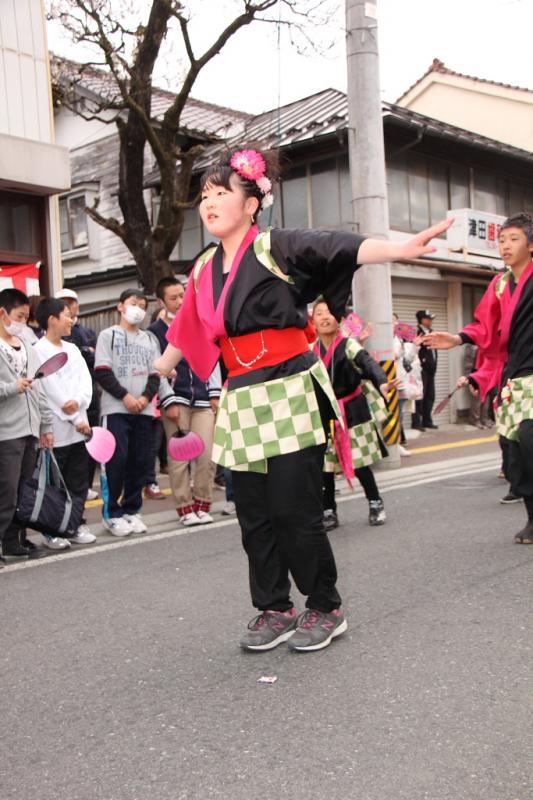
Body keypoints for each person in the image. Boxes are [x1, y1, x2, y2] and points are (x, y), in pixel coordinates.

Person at [155, 146, 451, 652]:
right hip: (241, 396)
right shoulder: (204, 267)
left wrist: (397, 249)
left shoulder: (276, 246)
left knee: (294, 508)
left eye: (222, 192)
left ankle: (324, 605)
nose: (209, 203)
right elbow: (187, 328)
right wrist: (162, 366)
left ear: (251, 203)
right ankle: (274, 607)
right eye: (205, 195)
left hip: (290, 387)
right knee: (254, 513)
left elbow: (339, 246)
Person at [422, 212, 533, 545]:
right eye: (502, 240)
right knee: (516, 454)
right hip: (514, 380)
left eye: (514, 239)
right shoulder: (500, 285)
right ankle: (531, 518)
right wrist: (457, 339)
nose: (505, 246)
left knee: (530, 440)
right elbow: (485, 327)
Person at [312, 300, 395, 530]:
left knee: (360, 463)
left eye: (329, 312)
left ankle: (375, 503)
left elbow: (368, 363)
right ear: (314, 322)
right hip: (325, 414)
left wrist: (383, 382)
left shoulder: (349, 345)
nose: (325, 316)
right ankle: (328, 510)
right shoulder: (310, 350)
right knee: (325, 468)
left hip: (353, 411)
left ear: (338, 319)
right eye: (319, 313)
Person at [149, 276, 221, 525]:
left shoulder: (200, 324)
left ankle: (203, 503)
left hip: (202, 398)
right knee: (179, 458)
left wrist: (214, 393)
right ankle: (184, 507)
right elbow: (156, 368)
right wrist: (167, 400)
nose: (180, 301)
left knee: (207, 455)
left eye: (182, 295)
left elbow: (211, 357)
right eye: (173, 298)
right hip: (176, 399)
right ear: (161, 301)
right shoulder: (155, 332)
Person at [94, 289, 160, 537]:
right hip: (116, 410)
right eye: (134, 303)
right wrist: (127, 397)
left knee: (140, 461)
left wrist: (144, 398)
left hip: (144, 410)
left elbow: (156, 374)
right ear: (120, 306)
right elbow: (102, 371)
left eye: (143, 305)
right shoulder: (107, 336)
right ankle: (112, 513)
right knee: (116, 462)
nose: (138, 309)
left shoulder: (150, 339)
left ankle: (133, 510)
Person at [34, 297, 97, 548]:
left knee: (78, 481)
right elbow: (49, 390)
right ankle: (52, 530)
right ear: (52, 319)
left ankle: (74, 524)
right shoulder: (37, 350)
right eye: (67, 315)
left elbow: (86, 383)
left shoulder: (72, 349)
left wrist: (80, 408)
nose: (72, 320)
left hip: (80, 428)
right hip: (56, 430)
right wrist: (73, 416)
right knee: (55, 483)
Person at [0, 288, 52, 562]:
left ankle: (13, 541)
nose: (23, 322)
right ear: (2, 313)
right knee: (6, 490)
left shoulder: (28, 346)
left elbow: (39, 388)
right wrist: (12, 387)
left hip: (30, 428)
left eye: (26, 316)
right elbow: (12, 388)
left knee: (23, 490)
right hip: (6, 431)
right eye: (19, 316)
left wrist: (46, 426)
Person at [55, 288, 101, 501]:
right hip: (61, 416)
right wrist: (74, 415)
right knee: (61, 467)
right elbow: (51, 386)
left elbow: (91, 365)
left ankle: (83, 494)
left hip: (84, 406)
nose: (70, 308)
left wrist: (80, 403)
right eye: (64, 304)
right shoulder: (41, 346)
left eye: (71, 303)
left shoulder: (86, 331)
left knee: (83, 454)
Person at [393, 313, 422, 456]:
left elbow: (408, 361)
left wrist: (415, 346)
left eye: (395, 321)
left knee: (399, 416)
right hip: (385, 384)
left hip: (401, 383)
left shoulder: (400, 340)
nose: (393, 324)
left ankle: (396, 444)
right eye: (391, 321)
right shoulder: (378, 338)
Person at [412, 309, 438, 430]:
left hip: (431, 369)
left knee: (430, 395)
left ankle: (427, 421)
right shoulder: (417, 333)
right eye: (429, 319)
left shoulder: (431, 332)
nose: (431, 321)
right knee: (419, 396)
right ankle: (417, 422)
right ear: (422, 320)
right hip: (421, 370)